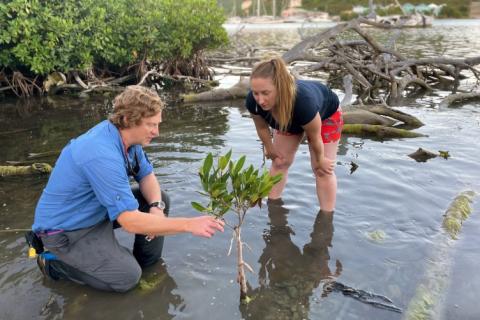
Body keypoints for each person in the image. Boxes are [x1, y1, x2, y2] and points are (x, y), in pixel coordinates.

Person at [29, 85, 224, 292]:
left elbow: (147, 176)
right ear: (129, 120)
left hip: (95, 211)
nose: (157, 132)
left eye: (158, 124)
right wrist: (188, 224)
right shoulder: (100, 153)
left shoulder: (130, 141)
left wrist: (156, 208)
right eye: (151, 125)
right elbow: (129, 222)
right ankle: (53, 263)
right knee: (127, 278)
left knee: (160, 199)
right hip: (66, 231)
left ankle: (147, 267)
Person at [245, 57, 343, 212]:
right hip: (288, 117)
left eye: (265, 93)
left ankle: (326, 217)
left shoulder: (303, 102)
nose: (260, 100)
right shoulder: (253, 101)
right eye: (256, 93)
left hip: (325, 115)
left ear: (280, 88)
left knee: (322, 169)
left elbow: (314, 137)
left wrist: (320, 159)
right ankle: (273, 209)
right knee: (279, 162)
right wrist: (269, 148)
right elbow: (262, 128)